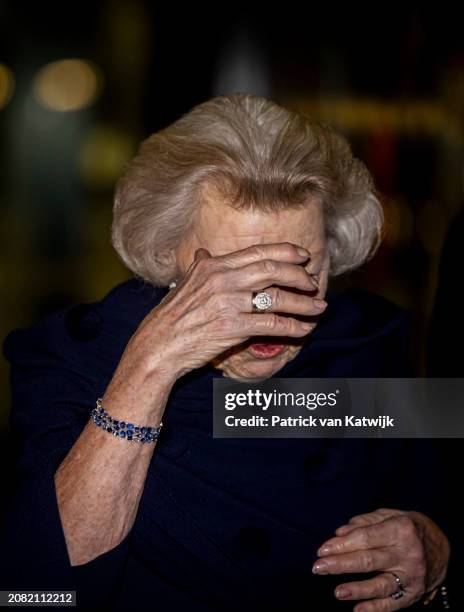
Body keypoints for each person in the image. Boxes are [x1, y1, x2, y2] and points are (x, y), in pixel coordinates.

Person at [0, 94, 452, 610]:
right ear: (166, 250)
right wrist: (150, 367)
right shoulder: (73, 360)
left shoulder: (366, 342)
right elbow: (32, 593)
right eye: (235, 275)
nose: (271, 309)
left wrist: (437, 556)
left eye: (303, 271)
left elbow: (437, 509)